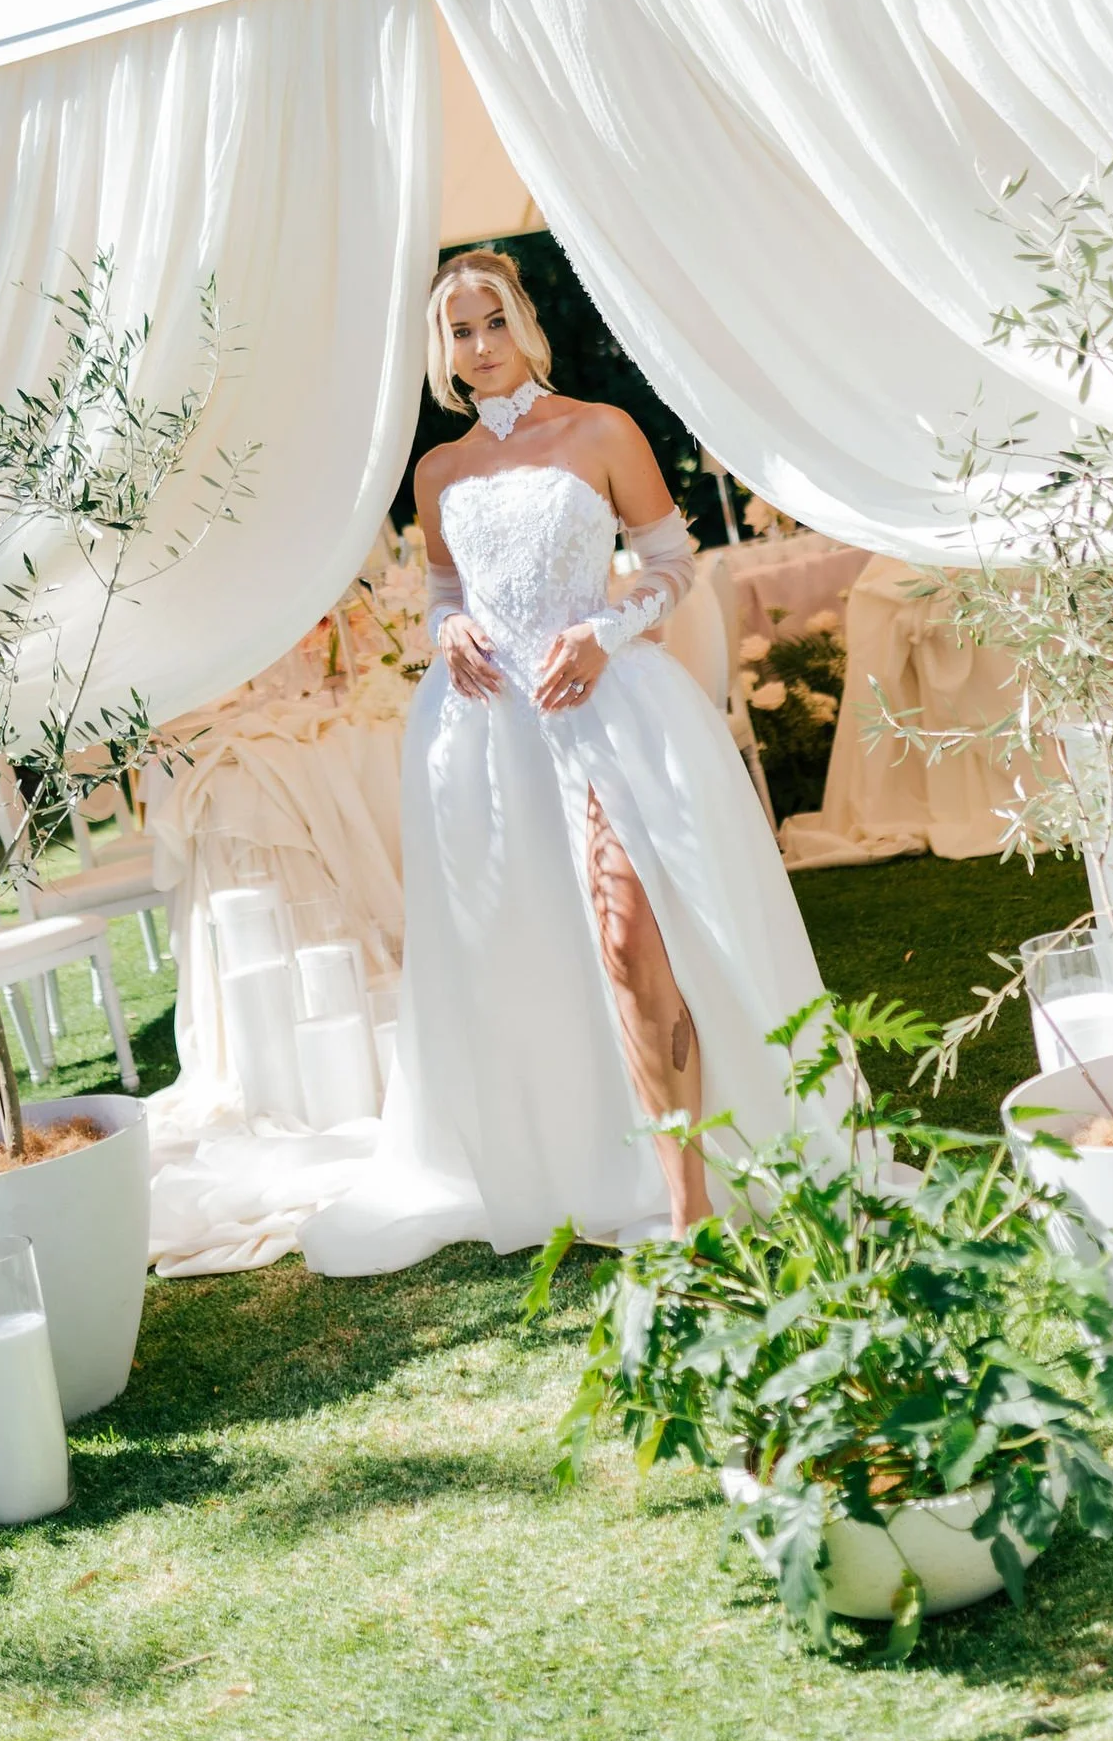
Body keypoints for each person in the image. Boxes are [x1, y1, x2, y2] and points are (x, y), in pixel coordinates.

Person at [303, 248, 828, 1275]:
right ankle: (585, 1160)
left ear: (526, 325)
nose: (480, 345)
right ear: (441, 351)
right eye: (459, 331)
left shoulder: (599, 429)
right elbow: (445, 592)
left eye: (494, 321)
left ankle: (690, 1203)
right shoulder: (438, 471)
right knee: (536, 951)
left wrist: (605, 632)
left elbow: (671, 562)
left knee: (633, 941)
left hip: (605, 711)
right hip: (490, 738)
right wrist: (446, 630)